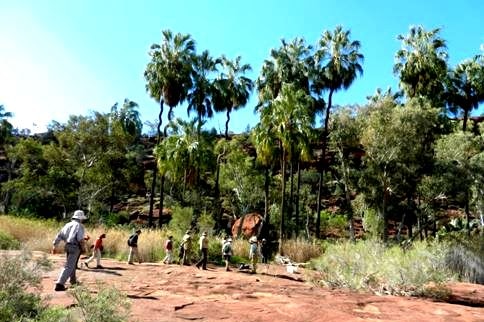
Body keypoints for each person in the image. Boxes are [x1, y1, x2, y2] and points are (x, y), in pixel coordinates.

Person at [51, 210, 88, 291]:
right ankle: (60, 284)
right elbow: (80, 239)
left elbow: (59, 235)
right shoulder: (79, 225)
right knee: (69, 266)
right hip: (75, 247)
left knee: (72, 264)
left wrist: (55, 246)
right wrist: (83, 248)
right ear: (80, 218)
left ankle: (73, 281)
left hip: (67, 246)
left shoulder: (68, 225)